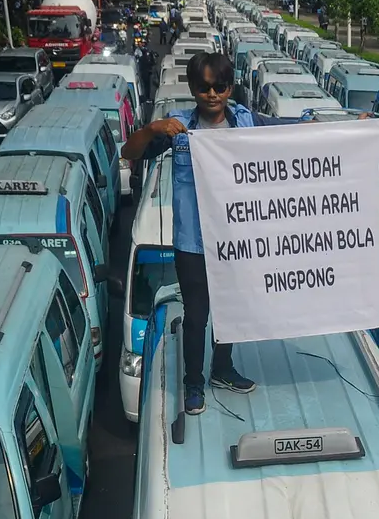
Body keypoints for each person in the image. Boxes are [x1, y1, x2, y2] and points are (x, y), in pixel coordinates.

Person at [119, 52, 362, 416]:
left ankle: (222, 368)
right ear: (193, 88)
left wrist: (351, 128)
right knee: (197, 316)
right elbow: (129, 151)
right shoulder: (179, 129)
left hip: (237, 240)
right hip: (193, 244)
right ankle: (193, 384)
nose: (212, 94)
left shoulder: (247, 122)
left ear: (230, 88)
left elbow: (293, 130)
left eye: (220, 86)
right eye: (204, 87)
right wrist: (153, 129)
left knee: (233, 309)